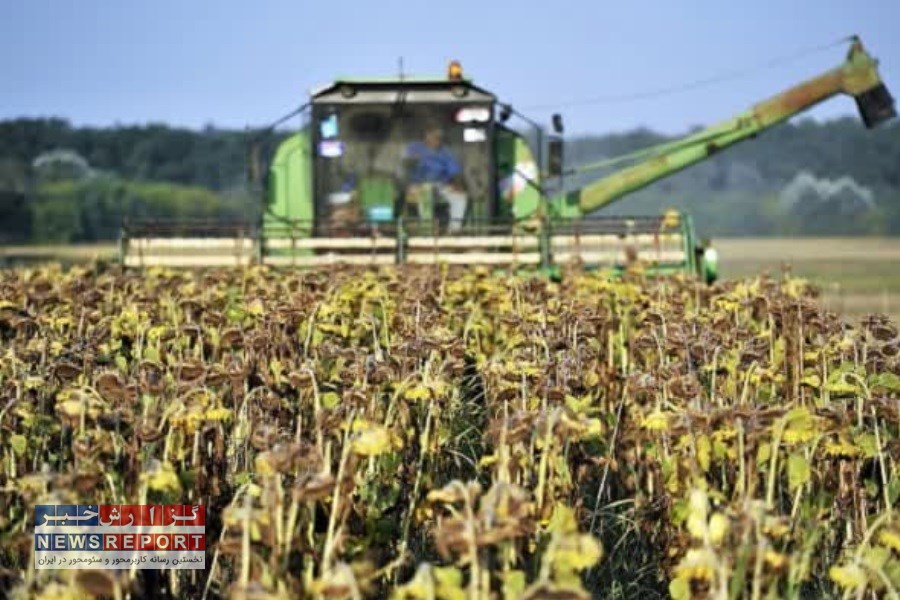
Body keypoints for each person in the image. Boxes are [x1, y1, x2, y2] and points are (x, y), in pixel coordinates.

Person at [403, 123, 467, 232]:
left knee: (460, 197)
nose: (438, 140)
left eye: (440, 137)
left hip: (440, 186)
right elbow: (406, 165)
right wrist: (413, 161)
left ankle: (454, 231)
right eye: (435, 136)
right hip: (417, 185)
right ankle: (426, 230)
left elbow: (455, 172)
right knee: (425, 194)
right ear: (427, 135)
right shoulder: (414, 148)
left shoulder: (446, 153)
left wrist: (458, 185)